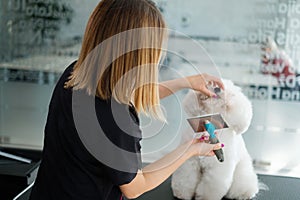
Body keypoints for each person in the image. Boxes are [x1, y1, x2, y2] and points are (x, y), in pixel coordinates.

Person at [29, 0, 224, 199]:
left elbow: (134, 92)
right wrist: (191, 148)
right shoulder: (114, 118)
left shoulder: (76, 74)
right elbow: (135, 186)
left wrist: (186, 82)